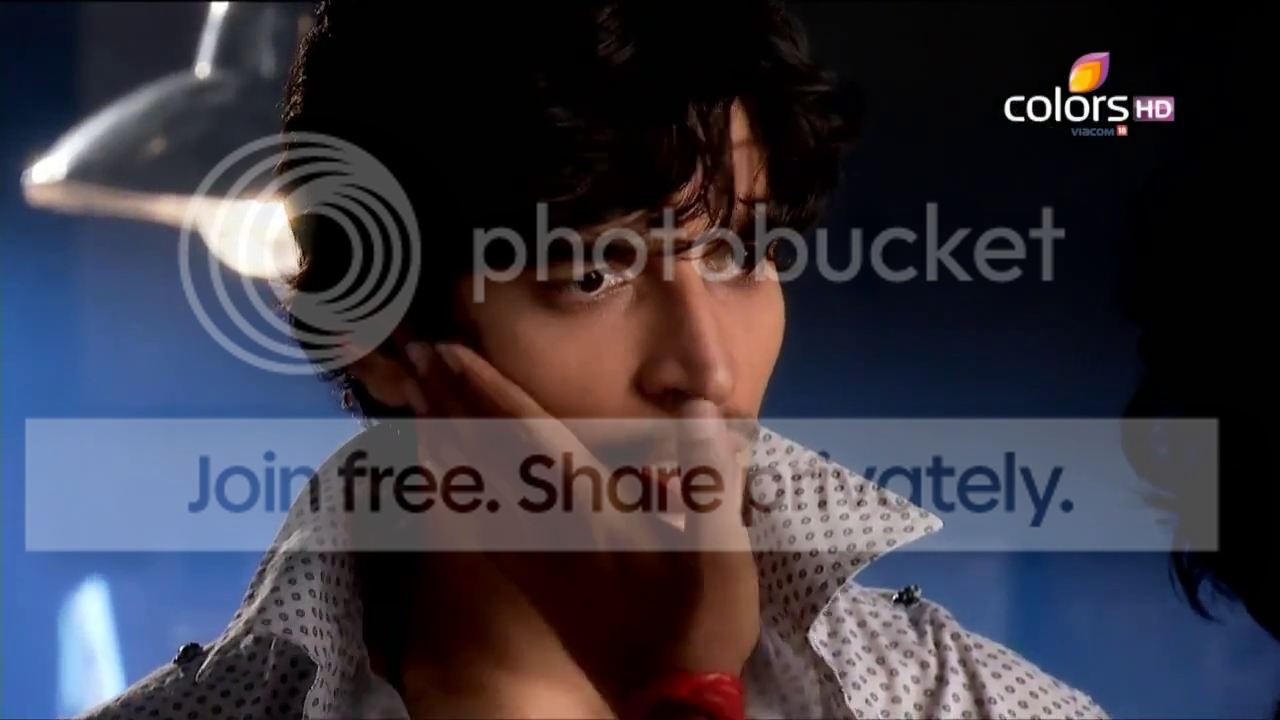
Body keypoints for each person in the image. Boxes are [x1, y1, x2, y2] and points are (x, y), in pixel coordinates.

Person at [81, 2, 1108, 718]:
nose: (704, 369)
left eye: (740, 255)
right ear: (382, 336)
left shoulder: (964, 707)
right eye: (591, 273)